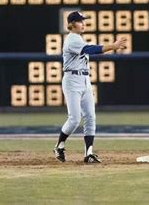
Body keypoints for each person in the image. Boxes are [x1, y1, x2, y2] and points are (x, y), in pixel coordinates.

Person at [53, 11, 127, 163]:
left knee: (90, 117)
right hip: (72, 80)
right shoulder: (72, 39)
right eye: (80, 21)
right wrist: (112, 46)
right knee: (74, 119)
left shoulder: (78, 38)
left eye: (83, 21)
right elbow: (90, 50)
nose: (83, 23)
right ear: (72, 24)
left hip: (84, 79)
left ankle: (89, 153)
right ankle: (59, 145)